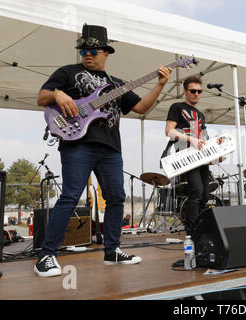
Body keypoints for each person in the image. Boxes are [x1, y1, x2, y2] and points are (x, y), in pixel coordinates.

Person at [34, 24, 172, 277]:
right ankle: (46, 255)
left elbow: (141, 107)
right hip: (77, 143)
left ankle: (112, 251)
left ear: (106, 53)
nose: (88, 53)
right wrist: (58, 95)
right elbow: (41, 98)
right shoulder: (67, 72)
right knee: (70, 196)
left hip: (110, 149)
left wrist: (160, 84)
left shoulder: (116, 84)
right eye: (84, 49)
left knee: (117, 198)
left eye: (94, 50)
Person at [164, 76, 209, 236]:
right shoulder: (177, 107)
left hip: (201, 157)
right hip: (185, 154)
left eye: (199, 91)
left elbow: (204, 137)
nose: (196, 94)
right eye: (193, 91)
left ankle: (204, 230)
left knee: (205, 194)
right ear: (185, 91)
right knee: (196, 192)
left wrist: (215, 149)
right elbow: (169, 130)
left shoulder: (201, 114)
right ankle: (191, 232)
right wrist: (191, 139)